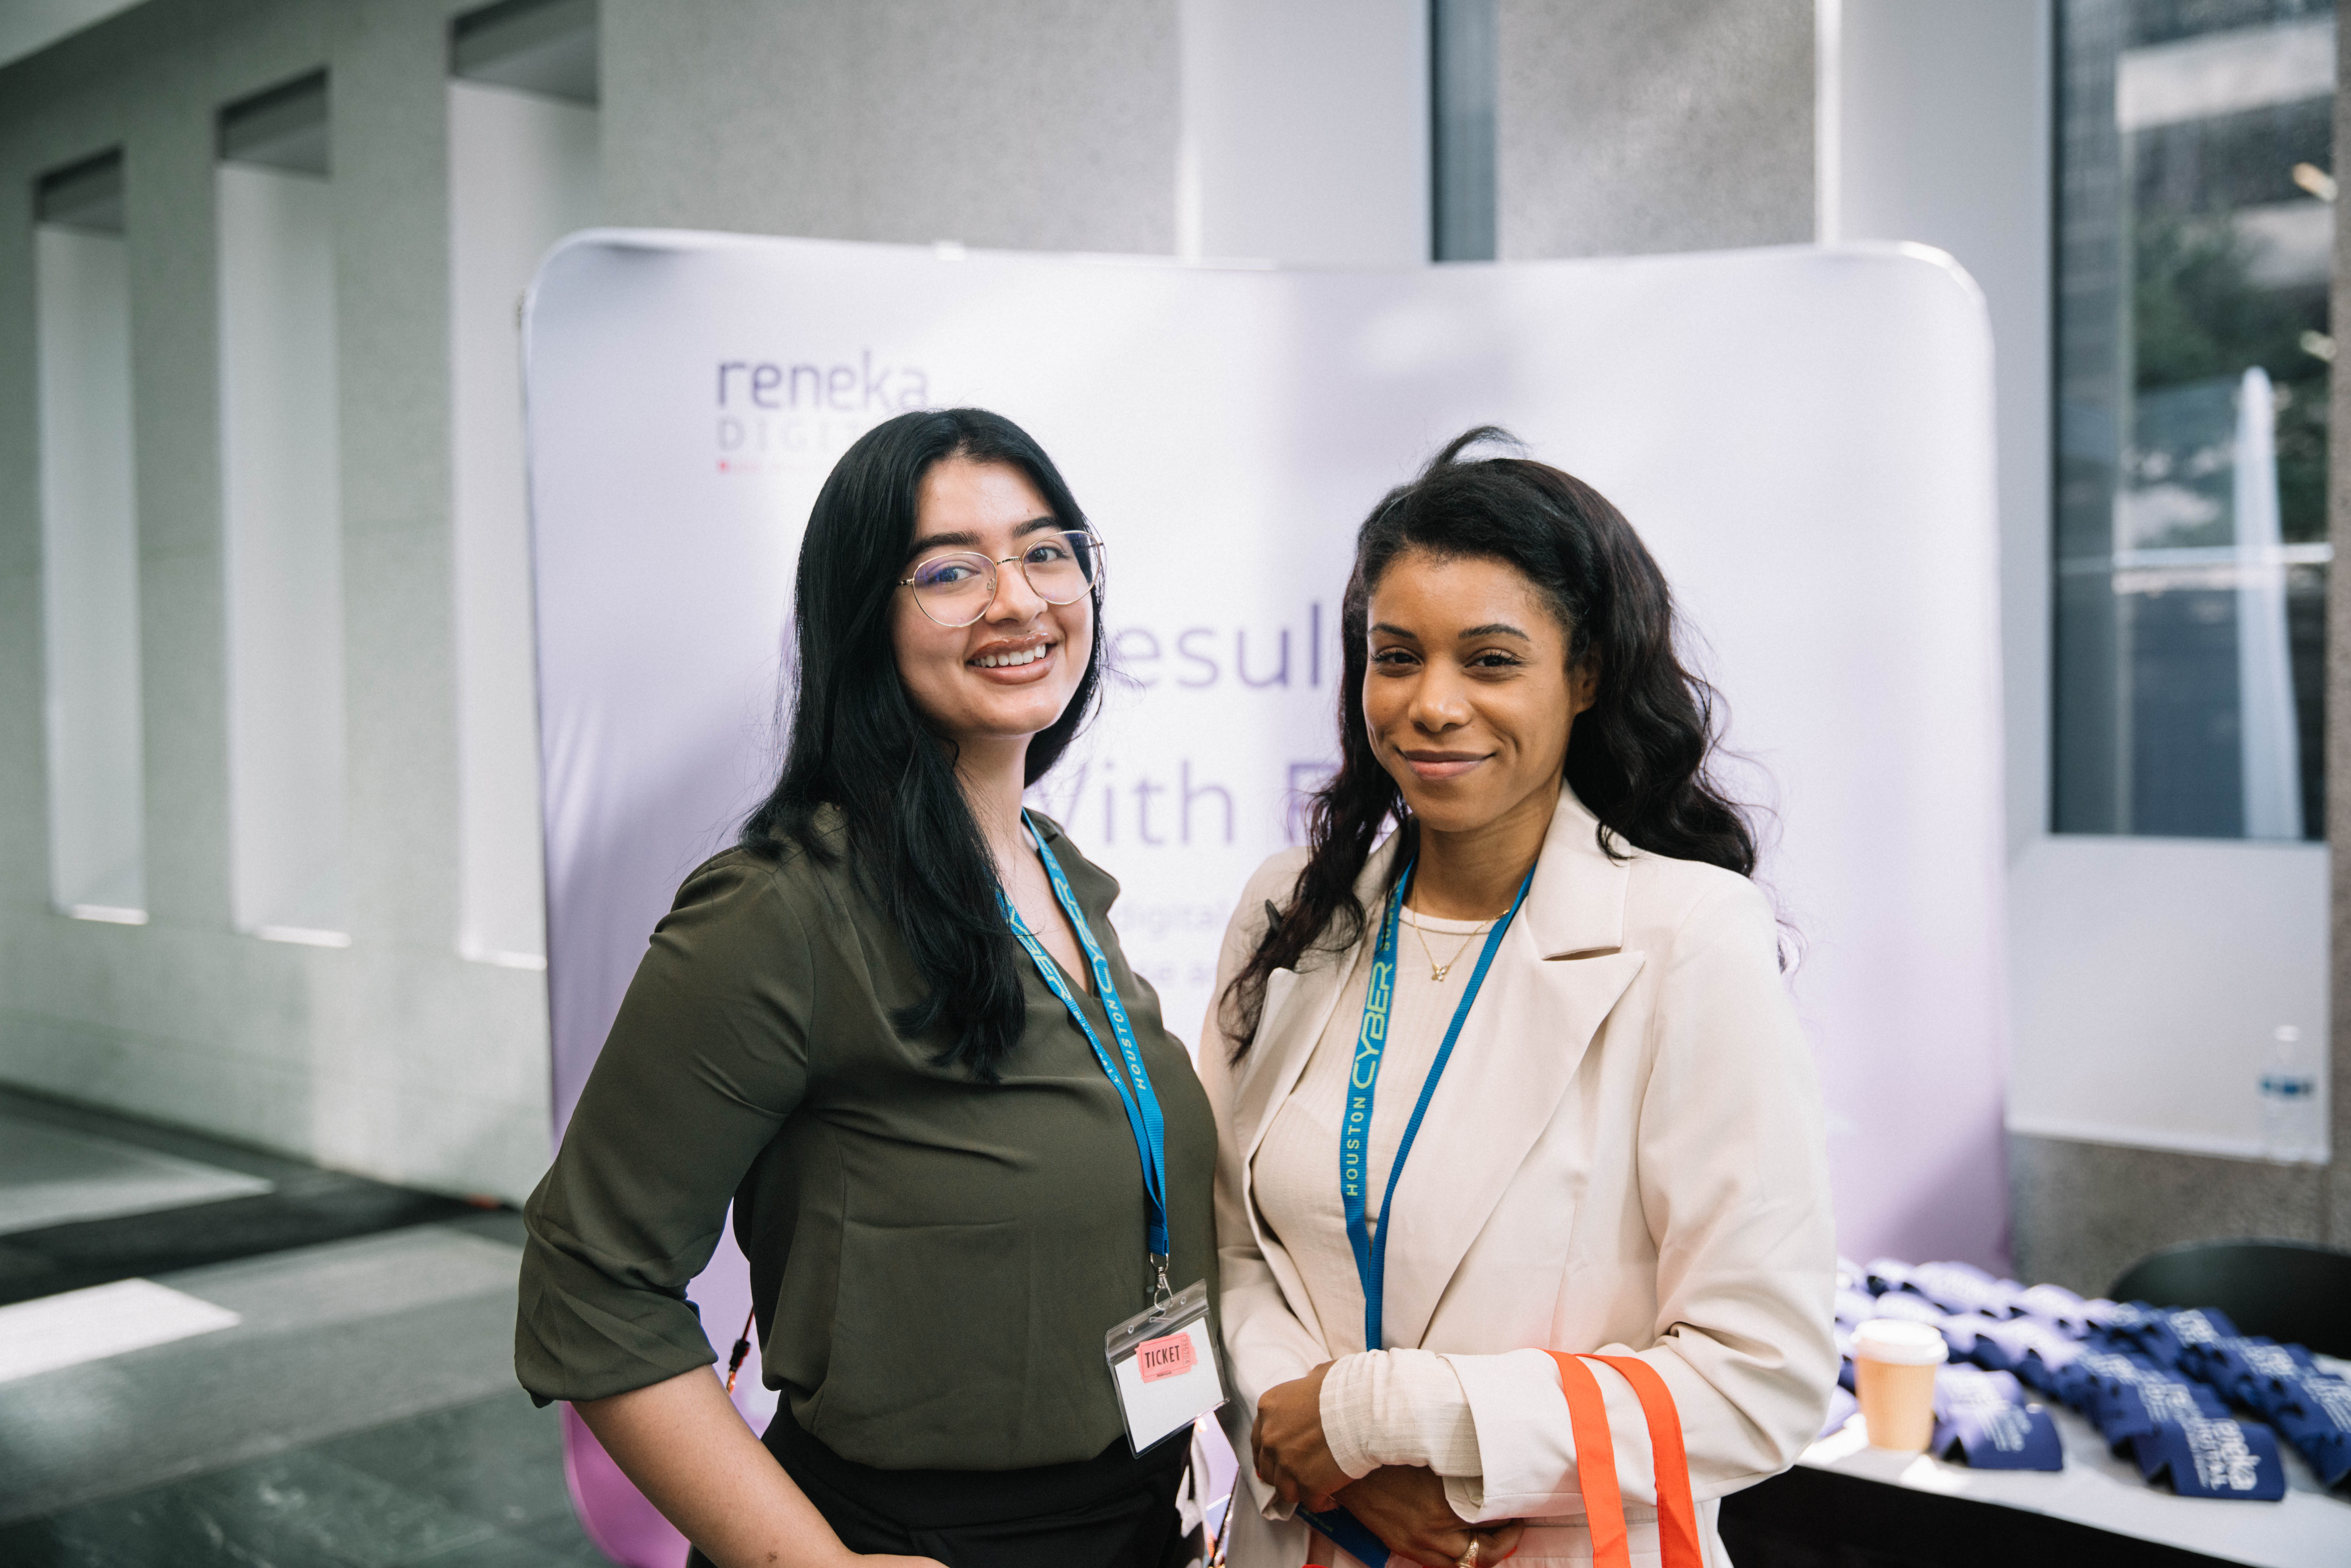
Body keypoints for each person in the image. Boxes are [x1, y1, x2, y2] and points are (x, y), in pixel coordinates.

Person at [515, 408, 1218, 1568]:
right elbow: (588, 1284)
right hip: (905, 1535)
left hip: (1139, 1513)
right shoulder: (781, 909)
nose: (1018, 598)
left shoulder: (1061, 881)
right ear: (861, 620)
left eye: (1046, 552)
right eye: (949, 569)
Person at [1202, 429, 1837, 1567]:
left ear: (1585, 676)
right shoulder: (1289, 911)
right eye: (1397, 657)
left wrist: (1383, 1420)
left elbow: (1764, 1380)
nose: (1432, 705)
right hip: (1299, 1540)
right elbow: (1232, 1253)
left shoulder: (1688, 938)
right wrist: (1330, 1466)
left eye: (1490, 661)